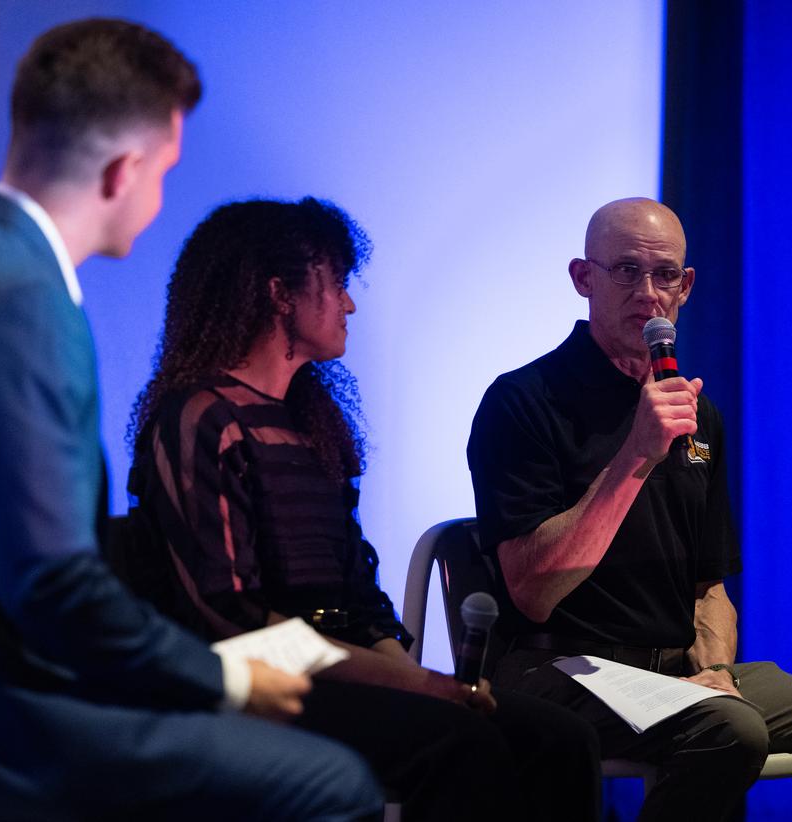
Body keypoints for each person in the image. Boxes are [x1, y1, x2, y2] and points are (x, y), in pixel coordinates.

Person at [0, 19, 382, 822]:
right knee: (333, 786)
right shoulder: (23, 301)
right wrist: (226, 677)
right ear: (125, 171)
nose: (161, 197)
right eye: (166, 170)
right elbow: (51, 586)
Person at [118, 197, 602, 822]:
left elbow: (355, 591)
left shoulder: (308, 423)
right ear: (280, 294)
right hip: (258, 681)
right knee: (460, 744)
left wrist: (418, 674)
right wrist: (416, 684)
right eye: (338, 284)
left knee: (560, 739)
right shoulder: (202, 417)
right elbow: (231, 620)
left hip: (338, 663)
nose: (348, 304)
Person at [466, 197, 792, 821]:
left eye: (665, 275)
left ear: (686, 287)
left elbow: (709, 589)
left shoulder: (698, 417)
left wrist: (717, 668)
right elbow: (532, 591)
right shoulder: (523, 402)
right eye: (624, 271)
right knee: (730, 732)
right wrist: (637, 455)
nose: (648, 292)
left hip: (683, 679)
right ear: (583, 278)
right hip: (562, 665)